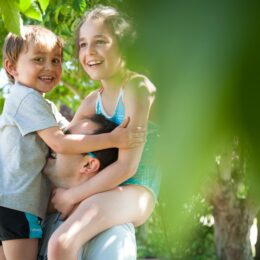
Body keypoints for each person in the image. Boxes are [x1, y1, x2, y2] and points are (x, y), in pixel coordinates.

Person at [0, 25, 144, 260]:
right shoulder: (26, 99)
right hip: (18, 205)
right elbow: (60, 143)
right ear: (11, 67)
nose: (50, 68)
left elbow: (67, 130)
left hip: (13, 204)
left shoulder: (40, 104)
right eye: (38, 59)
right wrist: (112, 139)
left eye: (56, 60)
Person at [48, 5, 160, 260]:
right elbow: (67, 145)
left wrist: (71, 196)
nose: (90, 52)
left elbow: (127, 167)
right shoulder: (91, 102)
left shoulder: (136, 87)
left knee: (62, 243)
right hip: (100, 188)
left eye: (101, 42)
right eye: (83, 44)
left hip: (135, 190)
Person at [38, 114, 137, 260]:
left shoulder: (113, 235)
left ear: (88, 165)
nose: (54, 142)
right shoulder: (41, 216)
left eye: (68, 139)